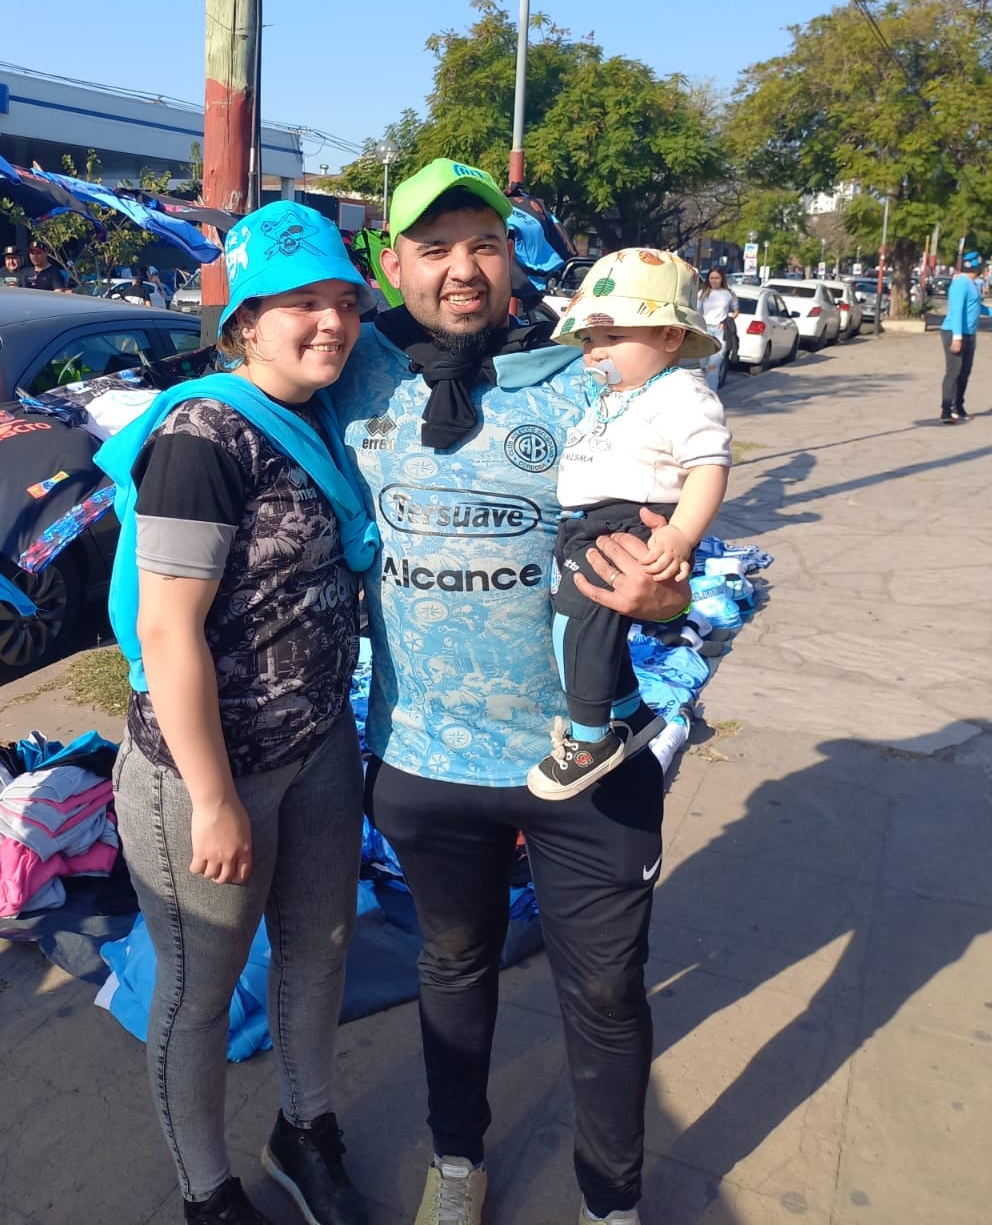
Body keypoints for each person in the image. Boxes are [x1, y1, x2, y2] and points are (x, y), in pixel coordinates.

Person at [328, 159, 693, 1225]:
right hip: (426, 759)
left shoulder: (586, 377)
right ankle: (456, 1161)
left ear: (513, 255)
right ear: (393, 264)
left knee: (608, 991)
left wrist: (664, 597)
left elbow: (666, 552)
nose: (460, 269)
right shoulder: (358, 372)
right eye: (432, 248)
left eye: (481, 242)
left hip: (585, 757)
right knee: (452, 962)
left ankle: (610, 1201)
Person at [108, 201, 376, 1225]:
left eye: (343, 300)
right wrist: (216, 800)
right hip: (203, 773)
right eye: (299, 302)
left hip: (317, 748)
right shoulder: (201, 433)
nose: (330, 322)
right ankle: (206, 1192)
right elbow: (168, 631)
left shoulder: (322, 411)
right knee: (199, 989)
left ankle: (306, 1133)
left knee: (322, 949)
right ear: (246, 320)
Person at [527, 249, 730, 801]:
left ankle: (590, 736)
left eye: (613, 337)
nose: (596, 352)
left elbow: (709, 466)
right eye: (590, 341)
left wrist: (681, 533)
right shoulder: (615, 395)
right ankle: (627, 713)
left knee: (579, 623)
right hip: (586, 523)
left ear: (669, 336)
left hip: (627, 525)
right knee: (592, 625)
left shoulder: (680, 392)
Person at [939, 249, 983, 423]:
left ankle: (959, 406)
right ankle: (946, 410)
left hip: (969, 333)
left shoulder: (974, 285)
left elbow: (977, 307)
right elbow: (956, 312)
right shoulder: (961, 284)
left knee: (965, 372)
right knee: (954, 371)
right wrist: (957, 337)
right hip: (954, 332)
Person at [698, 267, 738, 376]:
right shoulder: (702, 293)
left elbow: (736, 311)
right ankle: (702, 391)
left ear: (722, 279)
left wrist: (726, 321)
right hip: (705, 330)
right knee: (702, 365)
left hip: (720, 331)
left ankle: (711, 391)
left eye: (717, 278)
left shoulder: (729, 294)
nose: (714, 281)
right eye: (711, 278)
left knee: (713, 366)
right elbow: (697, 311)